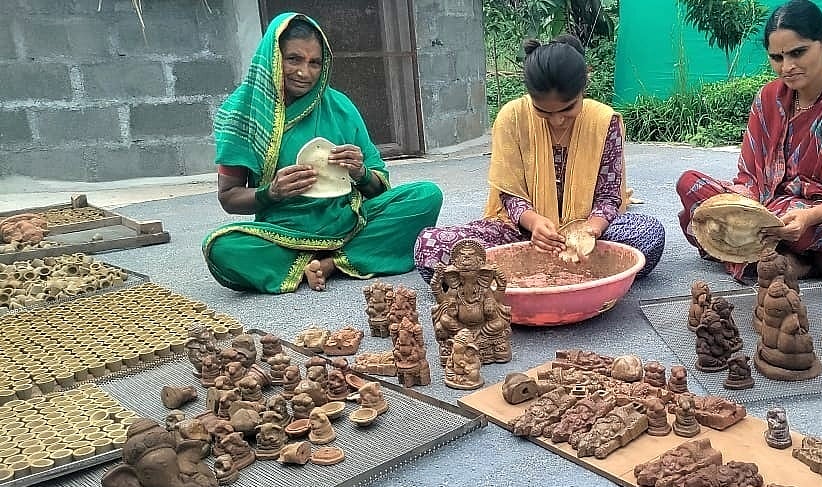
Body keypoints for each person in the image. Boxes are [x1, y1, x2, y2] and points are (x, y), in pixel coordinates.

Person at [202, 13, 442, 293]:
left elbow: (378, 186)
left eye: (314, 62)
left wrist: (360, 173)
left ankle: (328, 263)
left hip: (348, 218)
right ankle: (329, 257)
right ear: (272, 57)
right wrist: (272, 193)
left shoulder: (339, 106)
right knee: (221, 248)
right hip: (284, 230)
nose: (305, 72)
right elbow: (229, 197)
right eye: (294, 59)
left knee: (426, 196)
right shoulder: (241, 113)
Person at [676, 0, 822, 281]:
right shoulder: (769, 98)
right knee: (691, 184)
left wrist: (812, 216)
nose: (787, 67)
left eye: (798, 52)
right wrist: (747, 211)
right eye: (777, 58)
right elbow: (750, 180)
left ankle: (796, 263)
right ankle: (779, 253)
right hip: (773, 211)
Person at [414, 35, 665, 282]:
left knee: (647, 236)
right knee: (429, 247)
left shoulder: (604, 121)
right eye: (543, 111)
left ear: (584, 87)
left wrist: (589, 231)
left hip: (586, 234)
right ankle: (581, 274)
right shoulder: (512, 117)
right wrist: (535, 224)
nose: (557, 120)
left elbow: (609, 196)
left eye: (568, 108)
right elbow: (509, 194)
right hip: (518, 233)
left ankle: (506, 276)